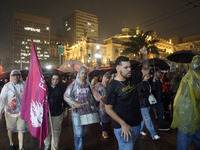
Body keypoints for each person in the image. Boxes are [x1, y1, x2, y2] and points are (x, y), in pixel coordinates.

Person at [105, 47, 150, 150]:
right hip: (123, 128)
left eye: (129, 67)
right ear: (118, 68)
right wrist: (123, 124)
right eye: (126, 67)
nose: (129, 69)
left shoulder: (132, 77)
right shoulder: (112, 86)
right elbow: (108, 108)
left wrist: (145, 55)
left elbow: (146, 70)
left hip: (136, 125)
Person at [171, 55, 200, 150]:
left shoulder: (186, 78)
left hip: (187, 117)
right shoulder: (195, 79)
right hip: (190, 117)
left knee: (184, 143)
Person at [64, 66, 94, 150]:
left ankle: (82, 147)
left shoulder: (88, 84)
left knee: (84, 132)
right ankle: (78, 148)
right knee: (78, 133)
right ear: (79, 74)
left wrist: (91, 104)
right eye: (82, 73)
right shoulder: (73, 84)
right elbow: (66, 96)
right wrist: (74, 103)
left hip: (86, 112)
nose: (84, 75)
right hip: (77, 112)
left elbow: (90, 96)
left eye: (85, 73)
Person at [0, 70, 26, 150]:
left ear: (20, 76)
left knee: (21, 129)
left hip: (21, 112)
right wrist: (0, 111)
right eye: (13, 75)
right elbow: (2, 99)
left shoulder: (24, 85)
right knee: (10, 128)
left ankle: (21, 147)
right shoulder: (7, 86)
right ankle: (11, 143)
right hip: (10, 113)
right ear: (11, 76)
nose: (15, 77)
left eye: (17, 75)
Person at [44, 72, 68, 150]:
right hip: (46, 113)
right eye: (53, 79)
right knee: (47, 131)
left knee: (56, 131)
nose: (55, 81)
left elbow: (64, 100)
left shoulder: (61, 88)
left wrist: (66, 109)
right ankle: (47, 144)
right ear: (50, 79)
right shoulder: (45, 87)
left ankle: (54, 147)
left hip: (57, 113)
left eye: (57, 79)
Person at [137, 74, 160, 140]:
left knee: (144, 119)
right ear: (143, 77)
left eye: (148, 76)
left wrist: (154, 81)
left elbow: (153, 89)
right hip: (143, 104)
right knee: (147, 119)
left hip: (147, 103)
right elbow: (139, 94)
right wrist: (148, 93)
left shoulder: (147, 83)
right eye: (147, 76)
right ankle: (153, 134)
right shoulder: (139, 85)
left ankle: (140, 130)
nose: (148, 77)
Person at [93, 72, 111, 139]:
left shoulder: (111, 85)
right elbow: (94, 92)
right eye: (106, 78)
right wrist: (99, 97)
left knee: (111, 118)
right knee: (104, 119)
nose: (107, 80)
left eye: (109, 78)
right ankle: (104, 131)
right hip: (103, 105)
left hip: (111, 104)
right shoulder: (99, 85)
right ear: (103, 78)